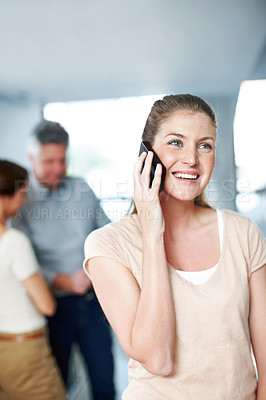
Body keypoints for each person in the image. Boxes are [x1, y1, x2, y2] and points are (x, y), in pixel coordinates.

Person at [83, 94, 266, 400]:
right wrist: (152, 232)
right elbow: (158, 359)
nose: (192, 159)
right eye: (176, 143)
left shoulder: (242, 232)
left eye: (204, 145)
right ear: (146, 154)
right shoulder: (108, 244)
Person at [12, 121, 115, 400]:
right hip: (51, 307)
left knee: (104, 380)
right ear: (31, 158)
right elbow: (19, 256)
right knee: (57, 384)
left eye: (62, 159)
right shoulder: (19, 198)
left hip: (94, 303)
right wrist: (62, 280)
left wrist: (95, 267)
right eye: (49, 161)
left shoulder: (81, 188)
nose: (58, 168)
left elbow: (107, 233)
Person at [0, 160, 67, 400]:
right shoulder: (13, 242)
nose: (25, 200)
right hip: (24, 349)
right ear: (4, 198)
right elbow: (46, 305)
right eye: (21, 194)